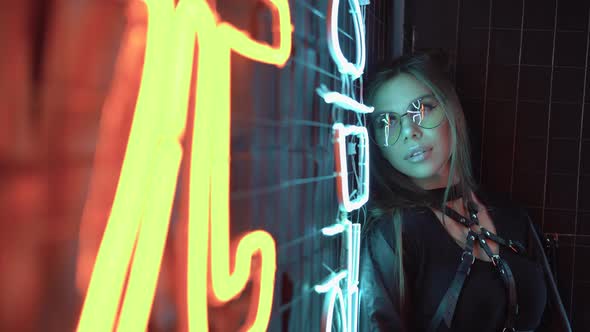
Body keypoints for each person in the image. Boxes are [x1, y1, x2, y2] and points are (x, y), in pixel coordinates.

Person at [359, 52, 571, 332]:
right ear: (378, 145)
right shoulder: (393, 233)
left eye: (422, 109)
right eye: (387, 122)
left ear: (450, 112)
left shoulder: (512, 218)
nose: (410, 131)